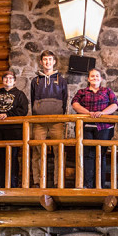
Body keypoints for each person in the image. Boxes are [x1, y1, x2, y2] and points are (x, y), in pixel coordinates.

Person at [71, 68, 118, 188]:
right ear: (88, 79)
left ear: (101, 79)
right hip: (86, 126)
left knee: (100, 154)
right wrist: (88, 113)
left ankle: (100, 185)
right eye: (92, 76)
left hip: (104, 127)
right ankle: (88, 184)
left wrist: (102, 113)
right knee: (88, 155)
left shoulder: (107, 91)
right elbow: (75, 104)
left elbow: (114, 105)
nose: (95, 78)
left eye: (97, 76)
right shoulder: (82, 92)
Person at [0, 70, 29, 188]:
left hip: (13, 130)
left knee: (12, 157)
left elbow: (23, 110)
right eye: (6, 78)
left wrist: (7, 114)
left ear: (14, 81)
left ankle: (13, 183)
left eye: (10, 78)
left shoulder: (20, 95)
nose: (8, 80)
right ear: (2, 80)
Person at [30, 51, 69, 187]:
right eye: (45, 59)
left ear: (54, 62)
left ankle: (59, 182)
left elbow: (65, 100)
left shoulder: (62, 80)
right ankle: (38, 182)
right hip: (39, 122)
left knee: (59, 151)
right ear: (41, 62)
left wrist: (62, 118)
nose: (47, 62)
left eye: (50, 59)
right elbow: (32, 99)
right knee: (37, 152)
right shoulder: (35, 81)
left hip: (57, 121)